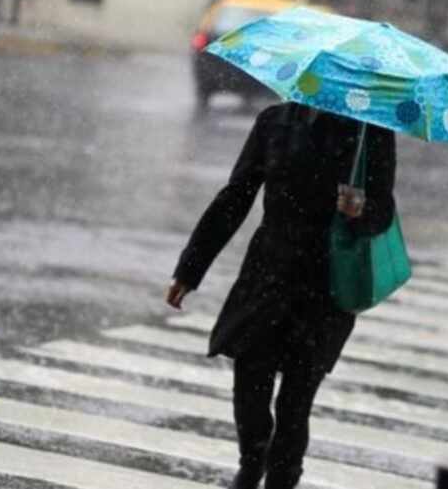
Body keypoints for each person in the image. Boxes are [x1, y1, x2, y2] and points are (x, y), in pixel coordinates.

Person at [165, 102, 396, 489]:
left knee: (295, 402)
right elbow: (236, 196)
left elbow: (384, 211)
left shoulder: (369, 133)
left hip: (324, 287)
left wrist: (361, 208)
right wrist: (190, 268)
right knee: (249, 385)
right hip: (267, 274)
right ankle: (252, 461)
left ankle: (282, 479)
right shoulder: (274, 121)